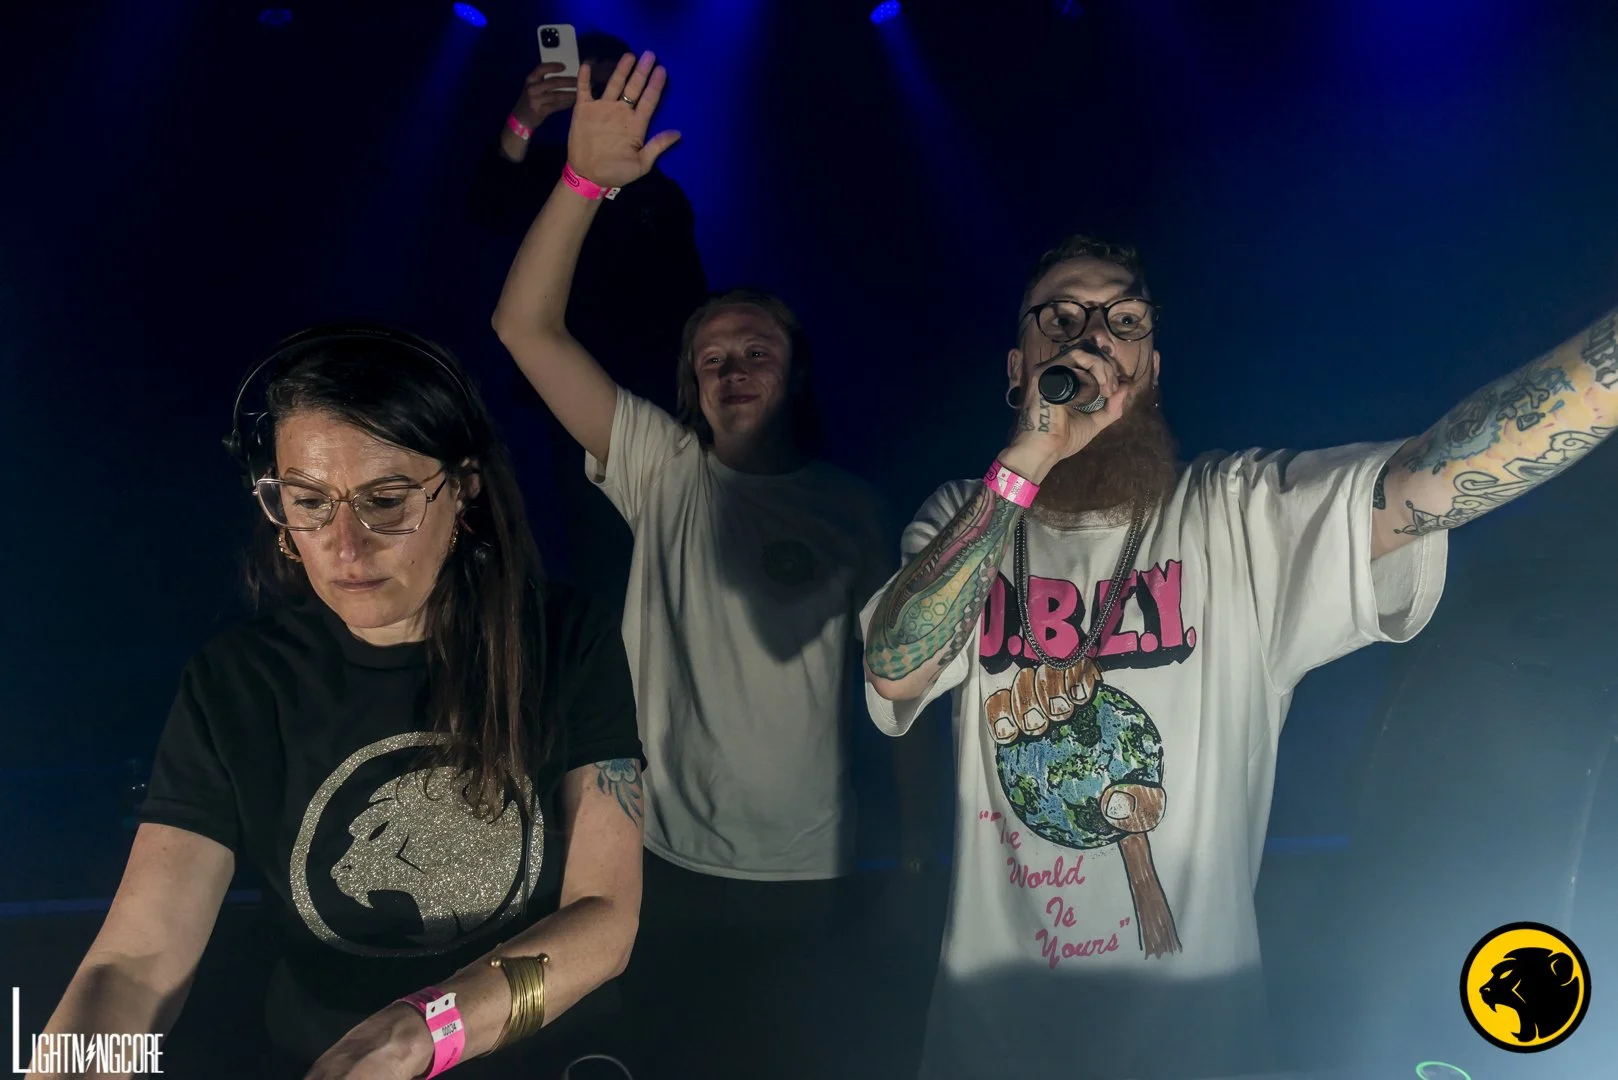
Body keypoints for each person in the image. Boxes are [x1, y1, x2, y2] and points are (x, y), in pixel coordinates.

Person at [860, 234, 1618, 1079]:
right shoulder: (964, 517)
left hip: (1195, 1053)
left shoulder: (1234, 513)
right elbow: (896, 664)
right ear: (1018, 366)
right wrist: (1028, 459)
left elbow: (1430, 477)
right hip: (990, 1049)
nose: (1093, 337)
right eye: (1063, 317)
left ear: (1150, 366)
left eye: (1124, 318)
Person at [32, 327, 646, 1079]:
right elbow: (133, 964)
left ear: (464, 486)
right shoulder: (238, 684)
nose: (345, 547)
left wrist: (423, 1027)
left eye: (385, 500)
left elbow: (606, 921)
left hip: (533, 1055)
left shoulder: (565, 639)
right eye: (308, 502)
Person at [492, 54, 911, 1078]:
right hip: (666, 868)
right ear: (688, 382)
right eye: (711, 358)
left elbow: (906, 697)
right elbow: (523, 328)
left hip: (817, 872)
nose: (731, 369)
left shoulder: (857, 510)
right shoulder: (660, 467)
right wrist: (579, 180)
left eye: (754, 351)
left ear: (794, 370)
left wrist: (907, 860)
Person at [473, 30, 709, 608]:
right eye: (592, 86)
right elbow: (489, 202)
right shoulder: (552, 174)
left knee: (680, 537)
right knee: (600, 546)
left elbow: (691, 293)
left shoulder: (662, 191)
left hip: (661, 383)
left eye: (614, 87)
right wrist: (525, 119)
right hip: (573, 382)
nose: (605, 99)